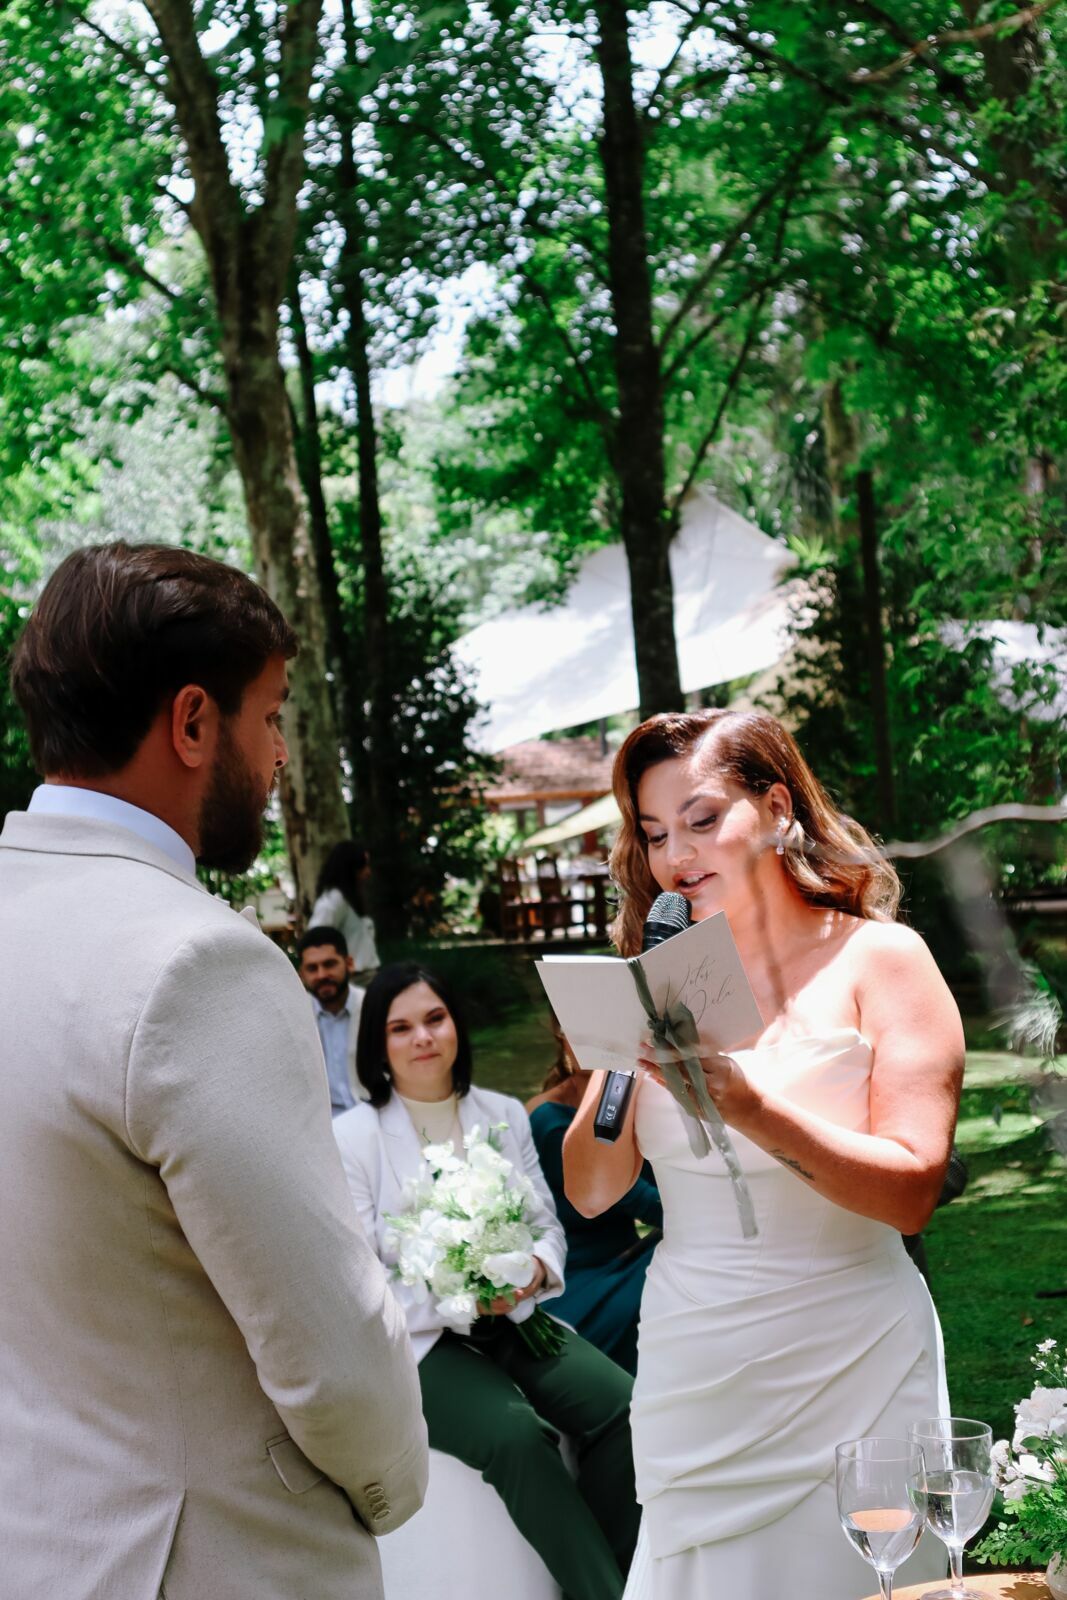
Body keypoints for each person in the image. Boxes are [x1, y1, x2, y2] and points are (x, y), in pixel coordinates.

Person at [0, 543, 427, 1600]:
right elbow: (329, 1353)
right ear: (194, 722)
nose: (279, 755)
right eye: (272, 714)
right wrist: (396, 1488)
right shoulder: (197, 962)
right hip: (213, 1559)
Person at [562, 709, 964, 1600]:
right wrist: (618, 1062)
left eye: (702, 819)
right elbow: (591, 1193)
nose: (676, 855)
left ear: (777, 807)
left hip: (857, 1354)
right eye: (655, 833)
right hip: (694, 1363)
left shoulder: (883, 962)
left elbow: (911, 1193)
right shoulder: (655, 972)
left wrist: (747, 1106)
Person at [334, 962, 641, 1600]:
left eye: (435, 1018)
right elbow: (364, 1279)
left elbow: (546, 1229)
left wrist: (532, 1271)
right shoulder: (351, 1139)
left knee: (622, 1406)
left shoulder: (500, 1113)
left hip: (513, 1318)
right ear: (377, 1045)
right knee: (513, 1434)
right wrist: (459, 1295)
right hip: (419, 1341)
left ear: (456, 1027)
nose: (423, 1037)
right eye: (401, 1027)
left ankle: (621, 1570)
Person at [527, 1026, 662, 1376]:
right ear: (560, 1034)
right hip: (582, 1283)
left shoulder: (632, 1091)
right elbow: (647, 1204)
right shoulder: (550, 1120)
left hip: (627, 1258)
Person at [298, 924, 365, 1114]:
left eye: (329, 964)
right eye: (312, 968)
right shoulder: (296, 1016)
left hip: (372, 1115)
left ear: (349, 963)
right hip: (321, 1124)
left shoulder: (372, 1007)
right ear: (301, 975)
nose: (322, 975)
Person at [311, 839, 379, 982]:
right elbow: (316, 939)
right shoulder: (333, 900)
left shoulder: (350, 898)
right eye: (363, 866)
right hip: (352, 979)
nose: (368, 872)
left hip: (367, 975)